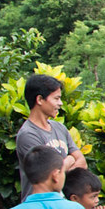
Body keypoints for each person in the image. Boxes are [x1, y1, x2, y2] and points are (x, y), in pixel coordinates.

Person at [16, 73, 87, 202]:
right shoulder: (28, 134)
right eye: (56, 98)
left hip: (63, 204)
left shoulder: (59, 128)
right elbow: (47, 176)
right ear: (39, 100)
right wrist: (70, 159)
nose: (60, 103)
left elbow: (82, 162)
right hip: (39, 205)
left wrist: (61, 168)